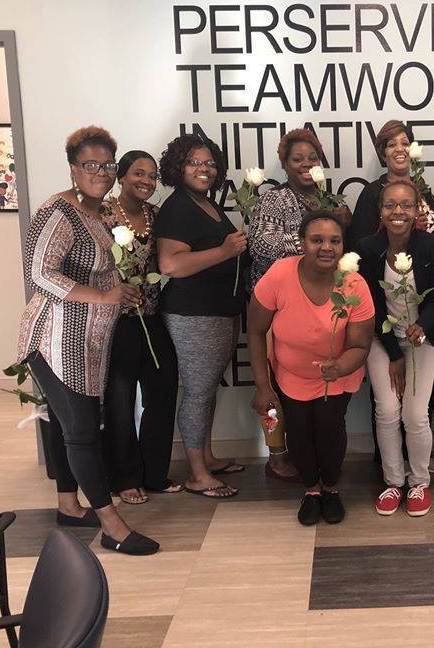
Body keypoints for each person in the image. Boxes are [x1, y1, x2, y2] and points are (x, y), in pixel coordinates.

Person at [17, 125, 158, 555]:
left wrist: (122, 287)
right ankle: (111, 525)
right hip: (56, 339)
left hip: (89, 340)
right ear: (73, 168)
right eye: (90, 164)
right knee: (81, 431)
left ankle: (68, 504)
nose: (100, 171)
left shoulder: (99, 213)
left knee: (65, 424)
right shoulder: (58, 212)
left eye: (106, 165)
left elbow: (105, 268)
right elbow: (40, 272)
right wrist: (103, 295)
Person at [247, 212, 374, 525]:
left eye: (334, 240)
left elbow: (360, 345)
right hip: (291, 376)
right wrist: (263, 386)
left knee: (330, 428)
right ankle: (311, 490)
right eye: (317, 240)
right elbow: (254, 330)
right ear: (302, 242)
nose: (326, 247)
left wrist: (341, 365)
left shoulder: (354, 283)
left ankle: (330, 489)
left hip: (337, 376)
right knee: (300, 433)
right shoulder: (280, 274)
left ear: (343, 245)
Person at [248, 128, 352, 481]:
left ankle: (311, 458)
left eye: (312, 157)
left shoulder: (332, 200)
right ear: (285, 164)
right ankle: (278, 455)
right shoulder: (275, 200)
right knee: (273, 387)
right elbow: (261, 245)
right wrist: (312, 244)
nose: (306, 164)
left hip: (320, 304)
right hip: (276, 305)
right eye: (297, 159)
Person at [156, 134, 247, 499]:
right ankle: (197, 474)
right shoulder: (178, 206)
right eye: (194, 162)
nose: (203, 168)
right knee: (197, 393)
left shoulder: (204, 203)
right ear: (179, 166)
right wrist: (226, 250)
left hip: (217, 311)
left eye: (209, 163)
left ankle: (206, 456)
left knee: (206, 390)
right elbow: (170, 264)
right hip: (193, 314)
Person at [356, 182, 434, 517]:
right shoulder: (367, 249)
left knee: (414, 414)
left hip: (421, 339)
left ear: (417, 210)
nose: (398, 212)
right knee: (386, 410)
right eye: (391, 205)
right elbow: (369, 306)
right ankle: (393, 482)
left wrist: (422, 324)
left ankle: (419, 483)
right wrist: (393, 355)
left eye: (406, 205)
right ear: (380, 210)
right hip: (382, 340)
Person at [99, 150, 181, 504]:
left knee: (162, 396)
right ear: (121, 175)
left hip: (152, 318)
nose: (146, 181)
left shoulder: (157, 216)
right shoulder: (101, 214)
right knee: (119, 403)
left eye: (152, 176)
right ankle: (125, 478)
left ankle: (155, 474)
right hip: (116, 323)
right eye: (138, 173)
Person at [347, 119, 434, 246]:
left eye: (405, 144)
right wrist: (410, 228)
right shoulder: (372, 193)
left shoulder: (422, 189)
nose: (399, 149)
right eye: (392, 145)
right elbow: (360, 244)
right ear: (383, 154)